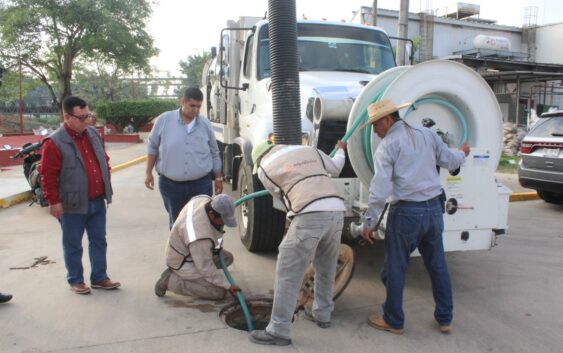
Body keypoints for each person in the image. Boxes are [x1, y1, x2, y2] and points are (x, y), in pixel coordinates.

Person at [361, 99, 470, 335]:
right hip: (433, 210)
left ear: (388, 120)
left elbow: (379, 190)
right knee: (437, 265)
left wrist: (369, 222)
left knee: (396, 267)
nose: (375, 131)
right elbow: (450, 161)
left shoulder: (388, 146)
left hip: (406, 213)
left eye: (375, 125)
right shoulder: (427, 135)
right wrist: (462, 153)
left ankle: (394, 320)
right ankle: (445, 319)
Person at [248, 140, 347, 346]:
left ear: (259, 158)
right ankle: (322, 313)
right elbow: (336, 167)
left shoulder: (264, 168)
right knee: (326, 266)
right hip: (337, 209)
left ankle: (279, 330)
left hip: (309, 212)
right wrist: (341, 149)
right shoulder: (308, 149)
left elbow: (279, 196)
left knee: (287, 271)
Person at [40, 96, 120, 295]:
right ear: (67, 117)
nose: (87, 121)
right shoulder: (54, 142)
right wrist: (54, 202)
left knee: (99, 240)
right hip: (71, 203)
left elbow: (104, 161)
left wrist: (105, 183)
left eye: (88, 116)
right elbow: (47, 175)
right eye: (81, 117)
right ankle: (76, 280)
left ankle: (100, 277)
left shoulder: (93, 134)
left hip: (96, 199)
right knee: (73, 244)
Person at [145, 87, 223, 229]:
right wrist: (148, 172)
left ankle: (199, 251)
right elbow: (152, 147)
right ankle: (180, 251)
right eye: (192, 105)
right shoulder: (164, 120)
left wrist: (218, 178)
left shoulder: (205, 125)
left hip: (201, 184)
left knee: (202, 223)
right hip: (171, 186)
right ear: (183, 102)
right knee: (177, 225)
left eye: (199, 106)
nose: (196, 110)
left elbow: (214, 152)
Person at [154, 194, 241, 300]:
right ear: (212, 214)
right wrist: (227, 285)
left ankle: (195, 278)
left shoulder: (204, 200)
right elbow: (206, 268)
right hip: (182, 261)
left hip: (188, 250)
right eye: (223, 220)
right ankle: (170, 281)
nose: (224, 223)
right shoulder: (199, 237)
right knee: (218, 292)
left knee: (228, 258)